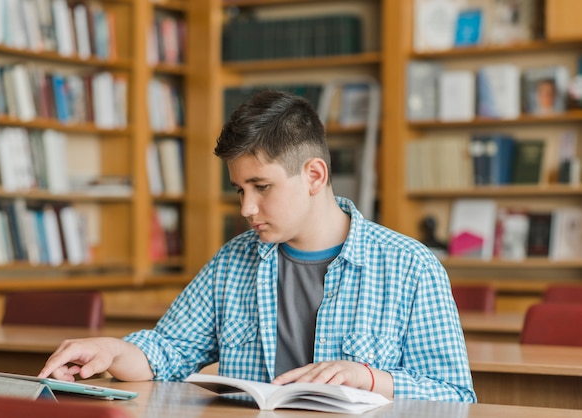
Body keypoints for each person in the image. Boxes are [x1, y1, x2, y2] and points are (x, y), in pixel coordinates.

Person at [38, 90, 476, 402]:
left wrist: (367, 377)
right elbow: (167, 354)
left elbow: (456, 396)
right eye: (238, 190)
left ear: (315, 176)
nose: (247, 207)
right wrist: (111, 350)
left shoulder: (410, 266)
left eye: (261, 187)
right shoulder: (233, 260)